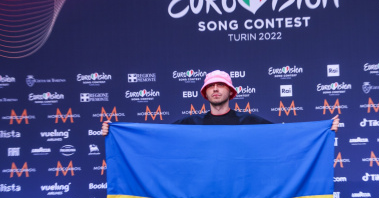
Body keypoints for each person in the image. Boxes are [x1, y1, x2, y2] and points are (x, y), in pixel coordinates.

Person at [102, 70, 339, 134]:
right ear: (205, 93)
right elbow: (153, 135)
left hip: (241, 192)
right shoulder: (191, 123)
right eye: (211, 86)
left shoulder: (249, 121)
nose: (216, 89)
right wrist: (115, 131)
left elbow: (287, 135)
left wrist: (323, 129)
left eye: (221, 85)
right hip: (203, 194)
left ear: (231, 92)